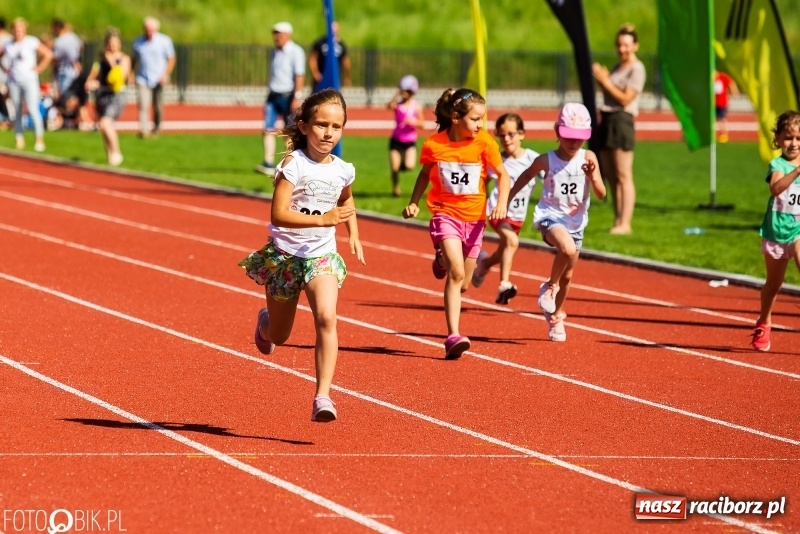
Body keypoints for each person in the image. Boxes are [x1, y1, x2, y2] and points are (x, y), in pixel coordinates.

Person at [239, 89, 364, 422]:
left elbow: (346, 202)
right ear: (305, 125)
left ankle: (323, 396)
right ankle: (265, 325)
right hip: (285, 257)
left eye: (336, 127)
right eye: (322, 124)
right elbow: (279, 214)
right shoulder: (294, 165)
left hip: (321, 255)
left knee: (326, 317)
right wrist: (322, 219)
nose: (328, 133)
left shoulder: (343, 169)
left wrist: (353, 232)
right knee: (281, 335)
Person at [402, 88, 510, 359]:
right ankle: (452, 336)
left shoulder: (484, 143)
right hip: (444, 214)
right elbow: (424, 175)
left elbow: (503, 176)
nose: (479, 125)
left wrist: (501, 204)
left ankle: (440, 261)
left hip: (474, 221)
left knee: (463, 284)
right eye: (475, 119)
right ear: (455, 117)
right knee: (457, 273)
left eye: (482, 119)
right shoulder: (434, 145)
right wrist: (414, 201)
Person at [507, 103, 606, 342]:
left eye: (579, 138)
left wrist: (592, 176)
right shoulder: (546, 161)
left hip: (577, 222)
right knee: (567, 248)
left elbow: (602, 194)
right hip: (549, 216)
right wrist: (507, 198)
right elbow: (526, 175)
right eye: (569, 137)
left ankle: (556, 316)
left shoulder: (589, 157)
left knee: (568, 276)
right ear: (557, 132)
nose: (574, 143)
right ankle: (549, 286)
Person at [471, 113, 541, 305]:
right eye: (502, 135)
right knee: (511, 241)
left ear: (522, 134)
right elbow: (480, 184)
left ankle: (484, 264)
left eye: (511, 134)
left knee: (505, 250)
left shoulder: (533, 159)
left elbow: (551, 180)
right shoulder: (496, 161)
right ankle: (504, 284)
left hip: (518, 217)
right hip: (497, 211)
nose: (507, 139)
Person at [751, 110, 800, 352]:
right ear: (778, 139)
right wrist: (797, 171)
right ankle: (764, 321)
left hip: (798, 231)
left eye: (799, 138)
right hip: (776, 232)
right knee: (774, 284)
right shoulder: (777, 165)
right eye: (789, 137)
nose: (794, 143)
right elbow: (776, 189)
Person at [592, 23, 645, 235]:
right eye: (619, 44)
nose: (621, 49)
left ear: (635, 46)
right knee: (611, 175)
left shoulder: (637, 68)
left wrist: (605, 82)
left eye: (626, 45)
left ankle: (626, 222)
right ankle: (617, 219)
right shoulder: (617, 67)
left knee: (623, 175)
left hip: (621, 120)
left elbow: (625, 98)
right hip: (606, 118)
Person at [255, 21, 306, 176]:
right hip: (273, 94)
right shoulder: (275, 51)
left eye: (279, 34)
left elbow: (299, 75)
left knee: (289, 131)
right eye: (275, 34)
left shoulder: (296, 51)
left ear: (287, 35)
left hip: (288, 95)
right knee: (268, 128)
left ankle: (290, 162)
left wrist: (297, 96)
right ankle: (268, 162)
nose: (276, 37)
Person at [0, 18, 52, 152]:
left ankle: (39, 139)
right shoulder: (8, 44)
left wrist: (39, 68)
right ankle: (19, 139)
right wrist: (6, 70)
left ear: (24, 30)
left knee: (32, 108)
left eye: (20, 30)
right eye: (15, 30)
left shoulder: (31, 41)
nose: (18, 32)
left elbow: (48, 54)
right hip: (14, 80)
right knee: (16, 110)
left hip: (29, 79)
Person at [85, 28, 131, 166]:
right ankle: (110, 157)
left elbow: (119, 78)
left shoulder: (124, 59)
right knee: (103, 126)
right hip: (103, 94)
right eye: (110, 43)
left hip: (117, 94)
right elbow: (96, 76)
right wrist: (92, 83)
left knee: (105, 123)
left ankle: (117, 152)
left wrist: (111, 62)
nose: (112, 46)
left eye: (115, 43)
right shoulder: (101, 60)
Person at [132, 16, 175, 138]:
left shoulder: (164, 41)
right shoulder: (138, 42)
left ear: (156, 29)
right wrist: (130, 74)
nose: (149, 32)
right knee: (143, 105)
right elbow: (133, 59)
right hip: (142, 78)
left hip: (158, 78)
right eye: (147, 29)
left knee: (157, 106)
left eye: (151, 29)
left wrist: (165, 74)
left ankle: (156, 128)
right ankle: (144, 130)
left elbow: (171, 59)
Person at [387, 74, 425, 197]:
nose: (404, 93)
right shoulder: (398, 104)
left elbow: (422, 123)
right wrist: (397, 92)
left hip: (409, 142)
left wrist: (413, 122)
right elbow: (388, 106)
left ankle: (401, 163)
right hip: (396, 141)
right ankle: (395, 188)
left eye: (407, 91)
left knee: (409, 166)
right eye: (403, 90)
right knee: (394, 168)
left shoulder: (416, 106)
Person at [308, 21, 351, 93]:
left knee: (333, 97)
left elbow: (345, 61)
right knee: (318, 98)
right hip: (321, 77)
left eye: (335, 27)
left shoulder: (341, 45)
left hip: (335, 77)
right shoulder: (321, 42)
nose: (333, 29)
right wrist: (315, 73)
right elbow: (313, 59)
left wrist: (347, 77)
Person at [51, 19, 83, 100]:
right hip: (75, 71)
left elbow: (56, 58)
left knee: (65, 98)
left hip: (64, 72)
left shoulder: (58, 42)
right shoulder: (73, 36)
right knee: (76, 96)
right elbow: (80, 47)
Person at [714, 70, 739, 143]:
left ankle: (724, 133)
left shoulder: (722, 77)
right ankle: (716, 134)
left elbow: (731, 83)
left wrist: (735, 92)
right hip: (713, 103)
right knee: (715, 119)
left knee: (722, 118)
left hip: (722, 103)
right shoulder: (710, 79)